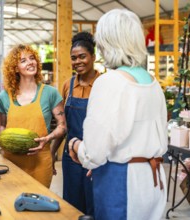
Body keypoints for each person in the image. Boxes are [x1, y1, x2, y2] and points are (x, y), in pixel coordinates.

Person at [68, 9, 168, 220]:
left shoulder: (109, 82)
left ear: (108, 42)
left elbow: (94, 151)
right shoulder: (152, 82)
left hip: (122, 183)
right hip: (152, 180)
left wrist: (76, 146)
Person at [0, 44, 67, 188]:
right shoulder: (4, 97)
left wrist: (48, 138)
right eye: (23, 60)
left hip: (40, 162)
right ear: (15, 68)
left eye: (32, 58)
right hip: (11, 162)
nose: (30, 62)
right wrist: (3, 139)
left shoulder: (50, 93)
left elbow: (63, 126)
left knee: (39, 205)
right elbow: (2, 126)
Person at [51, 31, 100, 216]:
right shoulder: (67, 86)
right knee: (72, 206)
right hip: (70, 159)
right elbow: (62, 125)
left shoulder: (103, 83)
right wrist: (52, 152)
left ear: (93, 57)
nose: (78, 61)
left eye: (82, 56)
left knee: (94, 205)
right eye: (74, 58)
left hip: (95, 155)